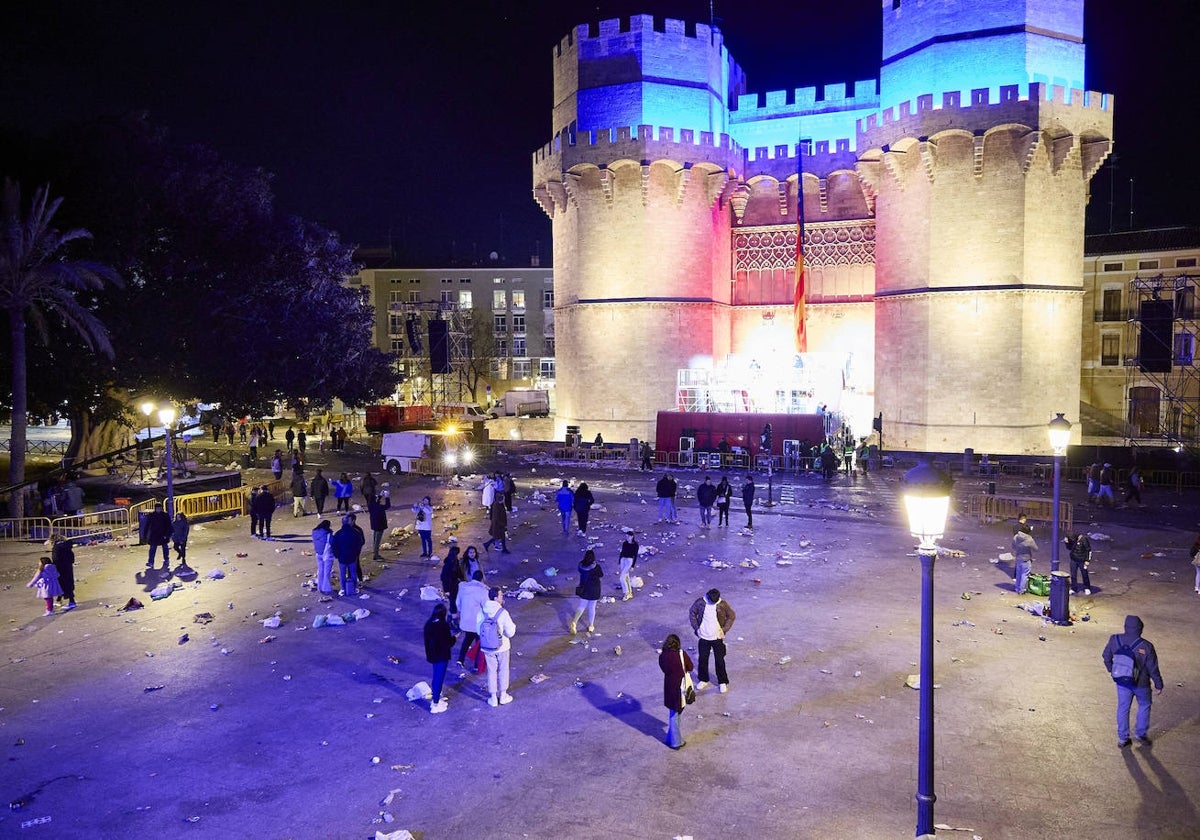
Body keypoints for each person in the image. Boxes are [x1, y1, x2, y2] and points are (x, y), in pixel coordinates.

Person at [1102, 615, 1164, 747]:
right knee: (1144, 705)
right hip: (1141, 684)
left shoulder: (1115, 639)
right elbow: (1153, 668)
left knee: (1123, 708)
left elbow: (1106, 656)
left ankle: (1123, 738)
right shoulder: (1146, 646)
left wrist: (1112, 670)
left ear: (1125, 627)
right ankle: (1140, 734)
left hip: (1122, 681)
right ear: (1140, 629)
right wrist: (1159, 684)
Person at [688, 588, 735, 693]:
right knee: (703, 660)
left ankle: (722, 682)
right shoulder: (700, 602)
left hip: (717, 637)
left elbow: (731, 616)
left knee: (720, 660)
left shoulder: (722, 604)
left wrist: (724, 630)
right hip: (704, 636)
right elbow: (692, 614)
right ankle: (703, 679)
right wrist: (697, 628)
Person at [477, 587, 516, 707]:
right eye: (500, 595)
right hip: (502, 647)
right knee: (503, 669)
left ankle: (493, 698)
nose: (502, 597)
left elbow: (479, 630)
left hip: (487, 648)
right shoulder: (503, 613)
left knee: (491, 671)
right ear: (495, 598)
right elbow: (510, 632)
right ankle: (503, 695)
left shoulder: (482, 611)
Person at [659, 633, 693, 750]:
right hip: (680, 687)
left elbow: (664, 669)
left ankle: (671, 738)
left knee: (674, 711)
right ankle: (676, 742)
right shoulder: (681, 654)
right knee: (676, 713)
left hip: (669, 686)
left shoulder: (663, 656)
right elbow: (691, 667)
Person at [424, 603, 457, 714]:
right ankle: (436, 703)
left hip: (432, 655)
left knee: (435, 676)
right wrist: (454, 638)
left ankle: (436, 696)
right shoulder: (443, 625)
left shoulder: (428, 623)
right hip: (441, 656)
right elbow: (447, 643)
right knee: (439, 678)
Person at [455, 569, 488, 669]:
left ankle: (460, 659)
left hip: (466, 621)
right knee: (478, 643)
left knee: (467, 639)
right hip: (477, 622)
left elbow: (458, 603)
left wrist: (462, 612)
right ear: (481, 579)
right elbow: (486, 607)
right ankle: (477, 665)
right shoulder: (483, 591)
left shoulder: (463, 588)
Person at [568, 549, 604, 634]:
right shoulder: (596, 567)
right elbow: (601, 574)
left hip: (584, 588)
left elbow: (580, 570)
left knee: (581, 606)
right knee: (592, 607)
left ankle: (574, 622)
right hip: (594, 589)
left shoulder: (581, 566)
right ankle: (591, 625)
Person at [331, 515, 364, 596]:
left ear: (342, 523)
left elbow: (334, 546)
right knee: (353, 573)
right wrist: (356, 553)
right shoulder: (355, 532)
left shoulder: (338, 534)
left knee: (342, 574)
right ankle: (354, 588)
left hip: (342, 557)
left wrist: (337, 555)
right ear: (349, 523)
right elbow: (359, 544)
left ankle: (343, 589)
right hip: (352, 556)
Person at [51, 535, 77, 611]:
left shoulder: (57, 548)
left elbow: (56, 558)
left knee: (63, 584)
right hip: (68, 568)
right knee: (68, 583)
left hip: (60, 568)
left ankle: (72, 602)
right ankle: (59, 599)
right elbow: (72, 558)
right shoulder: (67, 546)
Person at [143, 502, 172, 568]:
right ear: (155, 508)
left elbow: (169, 526)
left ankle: (166, 559)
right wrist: (145, 535)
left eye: (159, 508)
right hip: (154, 534)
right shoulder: (152, 515)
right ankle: (151, 562)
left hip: (163, 534)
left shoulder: (165, 515)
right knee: (153, 549)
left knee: (164, 548)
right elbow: (147, 525)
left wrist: (167, 534)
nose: (158, 509)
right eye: (157, 508)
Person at [311, 519, 335, 595]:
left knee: (320, 570)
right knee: (326, 572)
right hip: (327, 555)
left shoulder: (314, 532)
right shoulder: (328, 534)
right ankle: (326, 588)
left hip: (318, 554)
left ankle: (320, 587)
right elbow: (332, 543)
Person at [1012, 525, 1037, 594]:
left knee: (1018, 574)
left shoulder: (1016, 537)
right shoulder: (1029, 539)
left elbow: (1013, 546)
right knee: (1024, 575)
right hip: (1026, 559)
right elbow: (1035, 549)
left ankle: (1017, 588)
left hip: (1018, 558)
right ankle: (1021, 590)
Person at [1066, 530, 1092, 595]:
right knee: (1073, 574)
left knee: (1084, 574)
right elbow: (1070, 548)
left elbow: (1088, 550)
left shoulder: (1084, 539)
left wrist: (1087, 560)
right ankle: (1074, 588)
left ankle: (1087, 587)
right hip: (1073, 559)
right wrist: (1067, 543)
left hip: (1082, 560)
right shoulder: (1073, 539)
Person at [367, 491, 391, 560]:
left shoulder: (370, 505)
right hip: (380, 525)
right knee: (377, 540)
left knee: (375, 539)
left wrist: (380, 496)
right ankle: (376, 555)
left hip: (374, 524)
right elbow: (387, 506)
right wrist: (387, 497)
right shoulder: (379, 506)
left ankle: (375, 552)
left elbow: (376, 501)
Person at [617, 528, 639, 601]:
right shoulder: (625, 543)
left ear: (632, 536)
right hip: (623, 559)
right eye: (626, 536)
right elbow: (622, 551)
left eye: (628, 536)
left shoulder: (635, 545)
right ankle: (630, 593)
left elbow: (635, 555)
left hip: (629, 561)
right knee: (626, 577)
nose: (627, 538)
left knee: (622, 578)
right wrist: (620, 560)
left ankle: (626, 593)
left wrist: (633, 566)